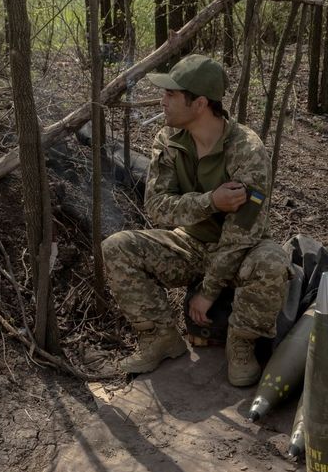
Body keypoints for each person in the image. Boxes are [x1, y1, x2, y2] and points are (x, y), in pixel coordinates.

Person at [100, 54, 291, 386]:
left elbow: (243, 232)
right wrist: (211, 202)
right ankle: (159, 338)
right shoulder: (169, 140)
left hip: (240, 251)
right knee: (118, 247)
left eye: (171, 94)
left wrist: (209, 291)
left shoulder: (247, 149)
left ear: (200, 103)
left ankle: (241, 343)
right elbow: (156, 207)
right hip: (190, 244)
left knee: (273, 261)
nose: (162, 101)